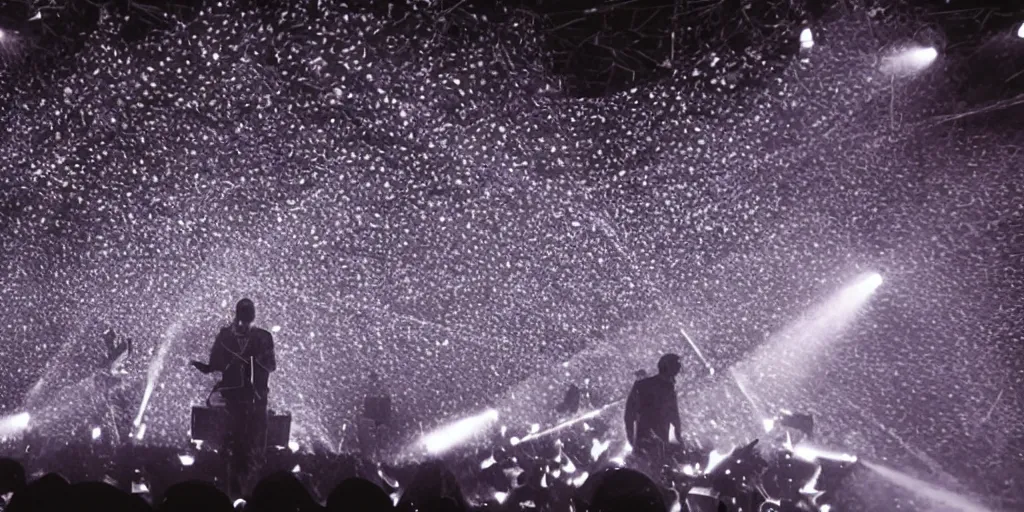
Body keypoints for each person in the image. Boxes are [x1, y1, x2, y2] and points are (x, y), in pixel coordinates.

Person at [191, 298, 276, 496]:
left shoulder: (263, 337)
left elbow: (272, 365)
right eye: (241, 319)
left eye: (247, 320)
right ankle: (232, 493)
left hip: (256, 398)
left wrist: (252, 361)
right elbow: (215, 363)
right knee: (234, 448)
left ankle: (253, 493)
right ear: (237, 315)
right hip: (234, 399)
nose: (243, 324)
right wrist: (203, 367)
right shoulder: (225, 335)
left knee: (255, 450)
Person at [623, 354, 684, 450]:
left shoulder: (643, 385)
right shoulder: (666, 389)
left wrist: (631, 437)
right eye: (677, 367)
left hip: (647, 442)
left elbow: (629, 415)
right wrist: (678, 439)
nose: (678, 370)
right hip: (653, 442)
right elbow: (674, 417)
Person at [359, 372, 392, 459]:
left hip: (375, 416)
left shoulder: (374, 389)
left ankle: (377, 455)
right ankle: (376, 455)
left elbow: (385, 402)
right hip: (375, 416)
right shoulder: (376, 389)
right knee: (376, 436)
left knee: (376, 436)